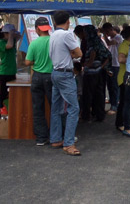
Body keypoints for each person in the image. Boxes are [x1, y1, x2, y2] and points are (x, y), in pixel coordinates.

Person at [49, 11, 82, 156]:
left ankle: (56, 138)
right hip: (65, 74)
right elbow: (79, 53)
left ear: (54, 22)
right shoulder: (67, 34)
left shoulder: (53, 35)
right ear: (68, 21)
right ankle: (69, 143)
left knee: (56, 107)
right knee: (73, 108)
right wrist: (72, 55)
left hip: (55, 72)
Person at [24, 16, 53, 146]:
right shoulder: (53, 41)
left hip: (37, 77)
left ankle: (41, 138)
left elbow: (27, 62)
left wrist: (37, 62)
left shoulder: (34, 43)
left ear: (37, 29)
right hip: (51, 77)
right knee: (55, 107)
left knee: (38, 108)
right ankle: (56, 135)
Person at [80, 25, 111, 123]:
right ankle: (99, 115)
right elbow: (108, 55)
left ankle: (86, 115)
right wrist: (101, 67)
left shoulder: (92, 43)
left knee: (88, 94)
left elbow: (92, 55)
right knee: (99, 94)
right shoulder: (99, 41)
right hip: (98, 72)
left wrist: (87, 65)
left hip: (91, 72)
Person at [114, 25, 130, 130]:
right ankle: (120, 123)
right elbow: (121, 59)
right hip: (124, 77)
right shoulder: (124, 45)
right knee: (124, 102)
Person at [0, 23, 19, 114]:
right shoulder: (1, 43)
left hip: (12, 72)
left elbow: (12, 44)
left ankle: (9, 110)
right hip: (5, 73)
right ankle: (0, 110)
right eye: (10, 34)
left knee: (11, 94)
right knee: (4, 94)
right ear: (5, 34)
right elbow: (8, 46)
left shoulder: (11, 42)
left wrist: (15, 36)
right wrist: (11, 36)